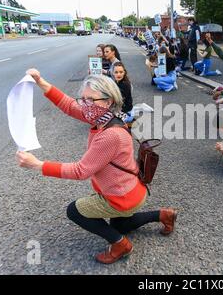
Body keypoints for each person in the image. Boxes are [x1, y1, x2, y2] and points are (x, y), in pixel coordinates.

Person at [17, 70, 177, 265]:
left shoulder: (109, 134)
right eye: (83, 99)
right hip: (133, 190)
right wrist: (40, 81)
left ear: (108, 101)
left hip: (120, 196)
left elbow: (80, 171)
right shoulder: (105, 117)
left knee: (74, 211)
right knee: (121, 223)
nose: (85, 104)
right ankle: (164, 215)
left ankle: (121, 245)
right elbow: (69, 105)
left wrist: (38, 165)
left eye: (90, 100)